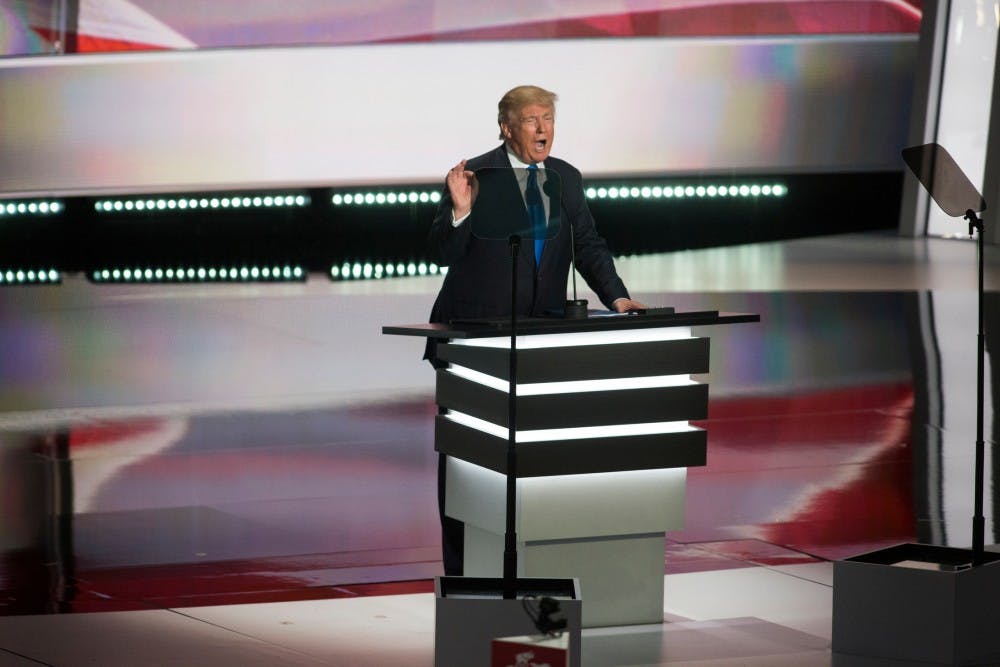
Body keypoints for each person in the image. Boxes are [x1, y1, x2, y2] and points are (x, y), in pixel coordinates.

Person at [426, 84, 645, 575]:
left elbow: (587, 243)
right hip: (475, 343)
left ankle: (533, 561)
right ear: (506, 126)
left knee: (534, 462)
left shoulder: (565, 178)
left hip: (542, 342)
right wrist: (461, 211)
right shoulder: (475, 175)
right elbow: (442, 251)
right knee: (469, 461)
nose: (543, 128)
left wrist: (616, 296)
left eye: (548, 118)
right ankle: (465, 572)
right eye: (531, 119)